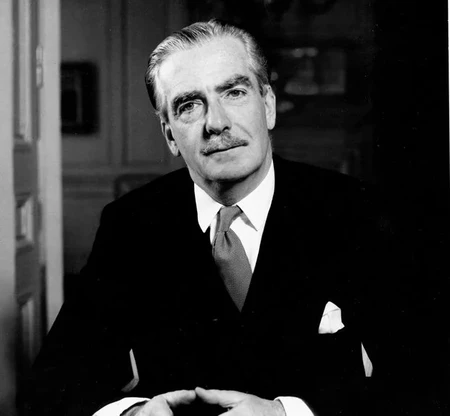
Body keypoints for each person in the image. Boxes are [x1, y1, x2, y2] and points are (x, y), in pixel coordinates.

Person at [27, 20, 436, 416]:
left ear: (268, 106)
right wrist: (134, 413)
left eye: (235, 93)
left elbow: (426, 379)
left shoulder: (358, 213)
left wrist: (286, 412)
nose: (216, 123)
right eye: (189, 105)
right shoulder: (131, 225)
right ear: (170, 135)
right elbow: (51, 384)